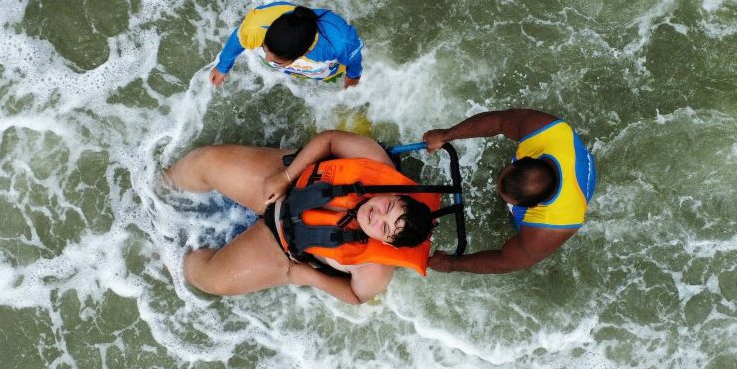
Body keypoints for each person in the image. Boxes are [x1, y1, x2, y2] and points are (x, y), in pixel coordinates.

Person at [163, 130, 435, 304]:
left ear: (387, 243)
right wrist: (286, 176)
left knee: (213, 280)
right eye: (388, 207)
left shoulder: (375, 270)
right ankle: (158, 187)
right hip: (287, 185)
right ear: (398, 194)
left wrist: (307, 277)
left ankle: (162, 254)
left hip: (283, 247)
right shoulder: (375, 163)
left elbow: (355, 295)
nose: (377, 216)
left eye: (384, 228)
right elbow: (330, 139)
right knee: (204, 162)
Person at [422, 109, 597, 274]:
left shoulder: (549, 228)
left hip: (572, 200)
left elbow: (505, 262)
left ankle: (513, 216)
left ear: (533, 207)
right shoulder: (546, 131)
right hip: (569, 152)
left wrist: (451, 264)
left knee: (515, 227)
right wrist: (445, 134)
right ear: (526, 158)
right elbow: (500, 120)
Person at [209, 2, 364, 89]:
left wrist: (352, 81)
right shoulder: (256, 26)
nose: (267, 59)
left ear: (307, 51)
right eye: (264, 49)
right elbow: (238, 40)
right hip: (297, 68)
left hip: (330, 72)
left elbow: (354, 63)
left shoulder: (341, 42)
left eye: (276, 61)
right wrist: (223, 66)